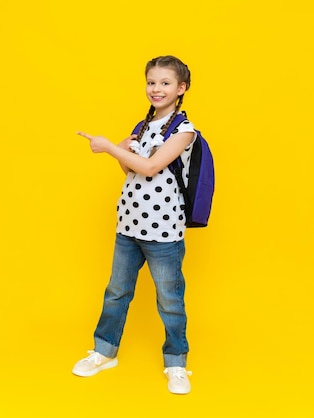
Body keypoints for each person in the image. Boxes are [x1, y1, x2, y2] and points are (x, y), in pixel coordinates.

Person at [74, 55, 196, 395]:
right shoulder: (142, 126)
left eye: (165, 83)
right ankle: (104, 352)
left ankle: (176, 362)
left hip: (163, 231)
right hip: (128, 224)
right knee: (116, 292)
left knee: (170, 299)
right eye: (151, 82)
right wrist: (122, 152)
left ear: (181, 88)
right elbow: (130, 173)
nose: (156, 89)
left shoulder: (184, 131)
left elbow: (150, 167)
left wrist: (111, 148)